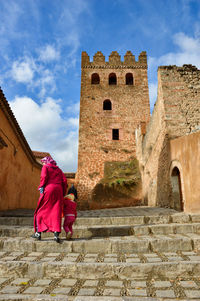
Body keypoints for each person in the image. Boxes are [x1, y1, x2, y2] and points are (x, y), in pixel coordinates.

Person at [32, 156, 67, 243]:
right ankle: (56, 234)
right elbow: (64, 181)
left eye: (43, 162)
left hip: (49, 189)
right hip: (58, 190)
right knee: (56, 211)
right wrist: (63, 193)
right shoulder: (59, 170)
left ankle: (38, 233)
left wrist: (41, 186)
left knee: (41, 210)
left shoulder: (46, 167)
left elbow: (43, 176)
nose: (43, 164)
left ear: (46, 162)